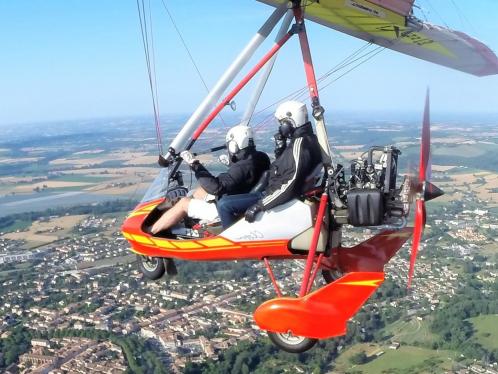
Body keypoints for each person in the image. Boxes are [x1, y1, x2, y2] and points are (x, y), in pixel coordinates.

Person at [216, 101, 322, 228]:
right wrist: (281, 148)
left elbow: (290, 184)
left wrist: (260, 205)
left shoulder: (300, 145)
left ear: (290, 122)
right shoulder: (306, 140)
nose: (281, 127)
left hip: (271, 194)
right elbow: (286, 167)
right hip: (271, 190)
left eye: (282, 123)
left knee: (224, 204)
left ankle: (230, 242)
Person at [151, 124, 270, 234]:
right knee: (198, 191)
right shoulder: (261, 157)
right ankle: (187, 219)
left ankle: (151, 231)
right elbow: (244, 176)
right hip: (240, 197)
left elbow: (216, 188)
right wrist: (231, 164)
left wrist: (195, 165)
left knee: (183, 203)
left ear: (234, 145)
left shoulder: (243, 166)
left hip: (227, 209)